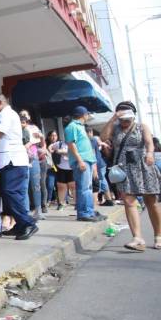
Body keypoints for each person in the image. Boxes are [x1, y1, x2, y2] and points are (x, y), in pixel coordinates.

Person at [100, 101, 161, 251]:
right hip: (124, 169)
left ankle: (158, 236)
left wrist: (150, 153)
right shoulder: (115, 128)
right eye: (122, 118)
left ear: (133, 116)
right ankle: (138, 239)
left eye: (127, 118)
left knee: (151, 202)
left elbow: (149, 142)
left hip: (143, 166)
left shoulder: (142, 127)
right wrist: (113, 118)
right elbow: (103, 137)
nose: (125, 121)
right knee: (128, 201)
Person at [0, 94, 38, 240]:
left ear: (0, 102)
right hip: (7, 162)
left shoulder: (6, 114)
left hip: (12, 161)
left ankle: (28, 223)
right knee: (11, 195)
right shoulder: (2, 115)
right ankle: (20, 225)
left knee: (10, 192)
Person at [64, 106, 105, 223]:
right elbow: (71, 144)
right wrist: (80, 160)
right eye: (87, 114)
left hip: (88, 160)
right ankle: (84, 213)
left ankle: (89, 211)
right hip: (81, 161)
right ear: (83, 115)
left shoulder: (80, 126)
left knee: (88, 188)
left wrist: (93, 164)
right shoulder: (72, 126)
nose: (88, 116)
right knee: (84, 188)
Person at [20, 111, 44, 220]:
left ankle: (38, 210)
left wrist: (41, 137)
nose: (23, 116)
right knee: (24, 186)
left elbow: (42, 144)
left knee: (36, 185)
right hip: (21, 159)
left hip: (33, 158)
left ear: (29, 117)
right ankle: (26, 212)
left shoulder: (34, 128)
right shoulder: (16, 128)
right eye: (21, 114)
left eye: (25, 114)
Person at [49, 127, 75, 211]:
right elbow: (51, 146)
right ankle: (61, 203)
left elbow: (77, 152)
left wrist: (63, 152)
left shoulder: (75, 143)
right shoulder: (60, 143)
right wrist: (51, 149)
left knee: (73, 186)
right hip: (61, 168)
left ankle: (77, 204)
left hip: (72, 168)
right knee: (61, 187)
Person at [45, 131, 59, 208]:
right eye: (52, 135)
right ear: (49, 137)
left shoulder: (59, 145)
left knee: (59, 185)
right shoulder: (45, 145)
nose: (54, 137)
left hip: (59, 168)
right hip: (50, 168)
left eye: (55, 135)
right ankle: (49, 200)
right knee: (50, 185)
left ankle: (61, 201)